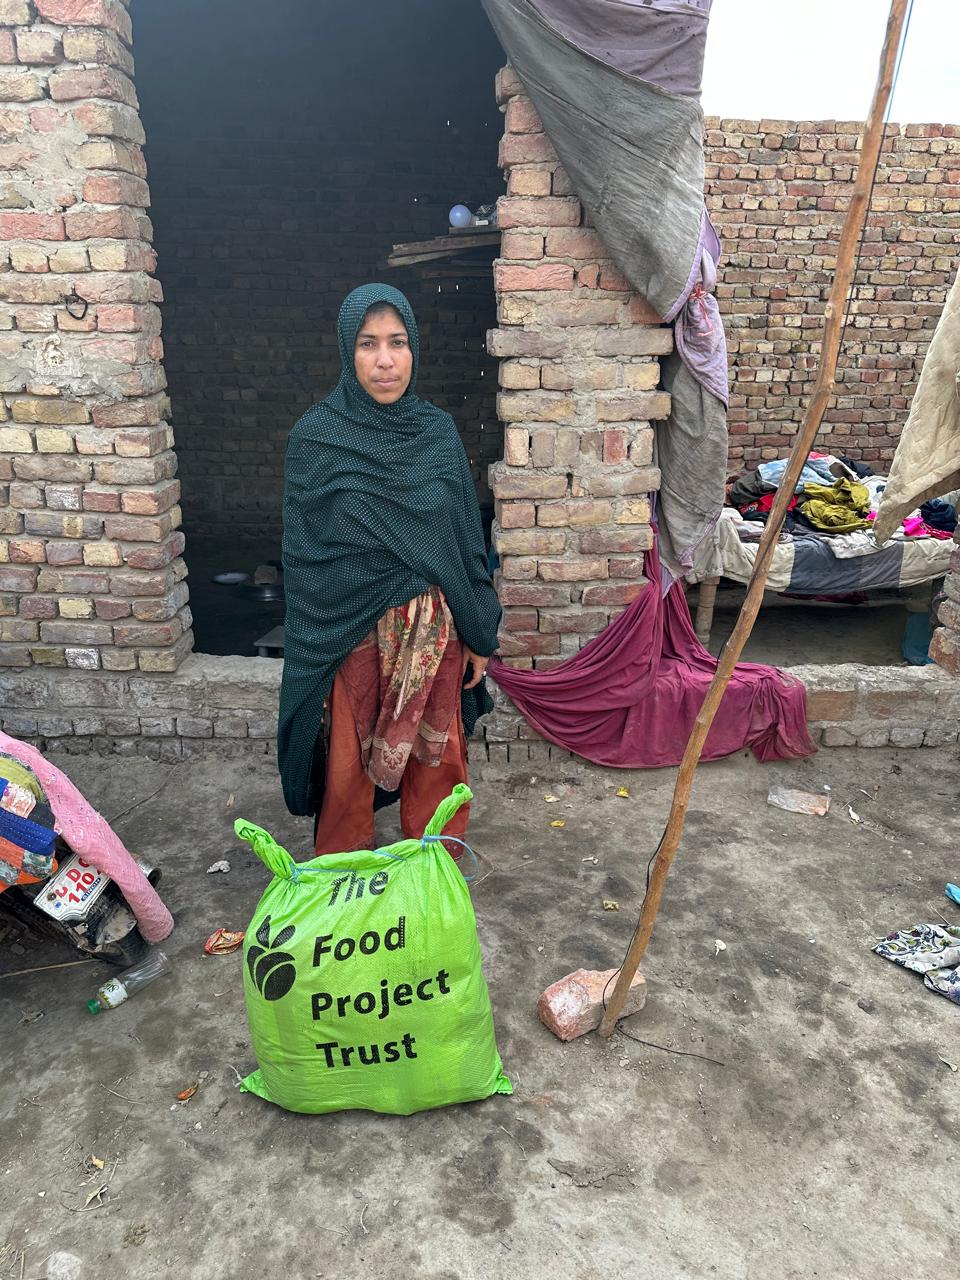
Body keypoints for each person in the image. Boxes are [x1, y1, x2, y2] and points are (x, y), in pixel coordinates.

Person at [277, 283, 500, 853]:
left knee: (436, 757)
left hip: (433, 632)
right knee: (346, 766)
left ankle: (433, 865)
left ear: (413, 349)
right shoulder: (316, 438)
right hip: (350, 629)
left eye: (397, 342)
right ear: (346, 352)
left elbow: (464, 540)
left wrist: (479, 630)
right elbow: (305, 558)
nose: (385, 360)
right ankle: (343, 873)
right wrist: (318, 642)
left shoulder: (436, 433)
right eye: (367, 343)